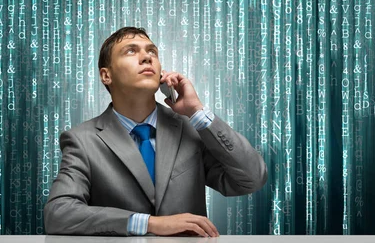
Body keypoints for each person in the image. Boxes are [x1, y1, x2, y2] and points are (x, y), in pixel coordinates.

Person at [44, 27, 267, 236]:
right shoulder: (82, 140)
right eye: (130, 51)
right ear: (106, 76)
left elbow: (251, 179)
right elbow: (59, 214)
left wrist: (196, 111)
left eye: (152, 51)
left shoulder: (192, 128)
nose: (147, 57)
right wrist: (148, 223)